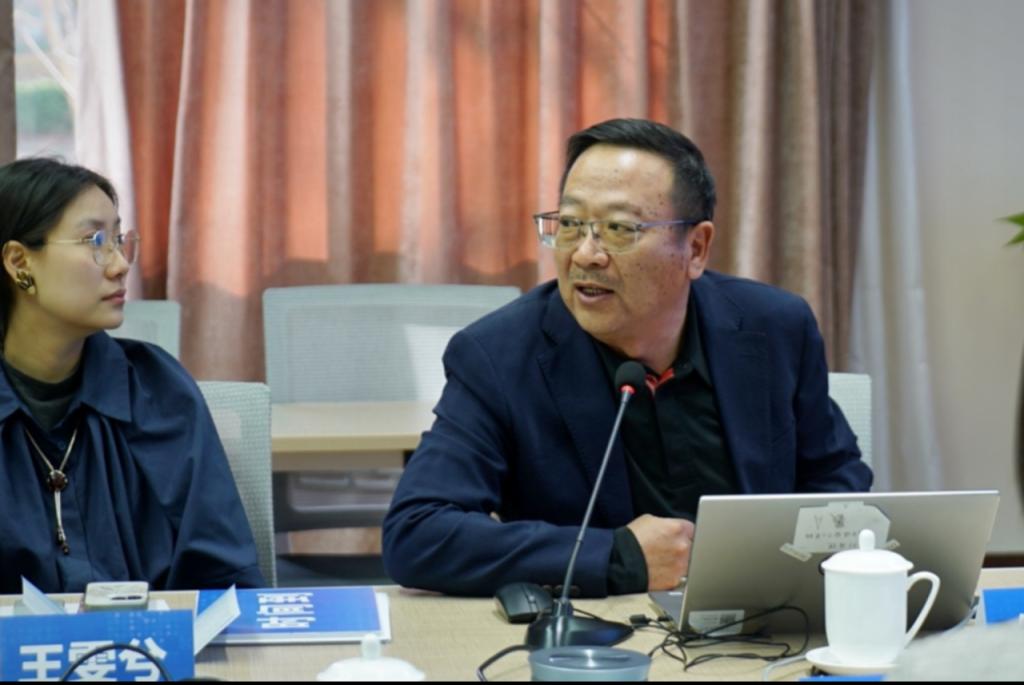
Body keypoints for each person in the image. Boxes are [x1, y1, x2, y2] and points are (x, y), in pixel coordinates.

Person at [382, 118, 872, 597]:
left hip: (763, 619)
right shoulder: (498, 356)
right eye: (570, 224)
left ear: (696, 248)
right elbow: (418, 532)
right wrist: (618, 557)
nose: (585, 254)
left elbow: (836, 481)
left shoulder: (774, 328)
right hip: (600, 631)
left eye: (618, 229)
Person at [0, 158, 264, 593]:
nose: (121, 264)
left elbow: (225, 577)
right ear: (18, 261)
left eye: (119, 241)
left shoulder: (158, 390)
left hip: (153, 637)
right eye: (95, 241)